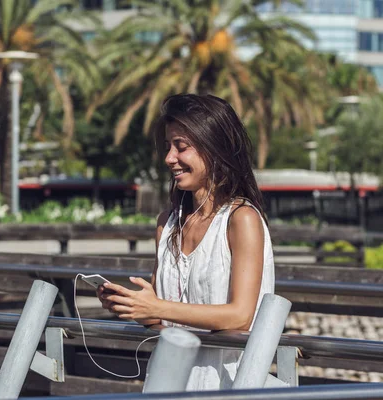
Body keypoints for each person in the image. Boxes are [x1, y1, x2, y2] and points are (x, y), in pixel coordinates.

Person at [97, 93, 275, 391]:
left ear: (215, 148)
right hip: (167, 382)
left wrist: (156, 307)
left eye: (181, 146)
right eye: (168, 146)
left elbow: (241, 316)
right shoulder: (167, 223)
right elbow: (162, 322)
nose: (169, 158)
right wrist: (132, 306)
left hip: (225, 385)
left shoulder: (241, 219)